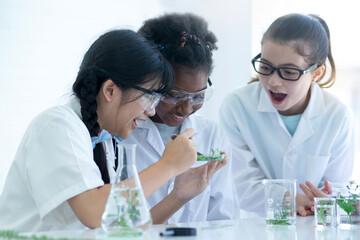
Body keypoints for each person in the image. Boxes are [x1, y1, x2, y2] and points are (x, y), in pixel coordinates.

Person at [0, 29, 198, 232]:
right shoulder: (57, 126)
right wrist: (168, 165)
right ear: (110, 90)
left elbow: (123, 227)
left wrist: (178, 197)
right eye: (149, 97)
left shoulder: (106, 140)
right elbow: (94, 212)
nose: (152, 110)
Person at [219, 13, 354, 217]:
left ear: (316, 73)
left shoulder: (338, 116)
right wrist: (292, 199)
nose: (273, 81)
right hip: (253, 228)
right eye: (266, 67)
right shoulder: (236, 107)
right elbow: (240, 182)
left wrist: (323, 202)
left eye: (289, 72)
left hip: (315, 228)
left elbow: (336, 190)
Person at [124, 13, 239, 224]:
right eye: (175, 95)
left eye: (198, 96)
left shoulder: (212, 134)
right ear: (150, 82)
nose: (186, 108)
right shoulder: (124, 134)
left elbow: (223, 218)